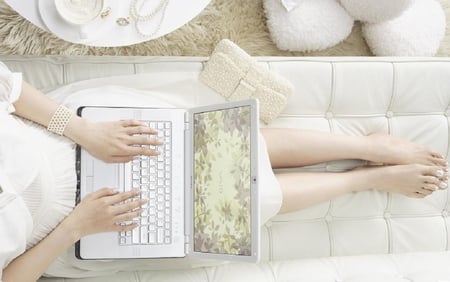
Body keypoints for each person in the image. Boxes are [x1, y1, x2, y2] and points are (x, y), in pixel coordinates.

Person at [0, 62, 448, 282]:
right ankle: (365, 178)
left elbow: (10, 89)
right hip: (67, 232)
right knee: (232, 210)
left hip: (67, 138)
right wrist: (75, 227)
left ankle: (365, 147)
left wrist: (83, 130)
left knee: (213, 145)